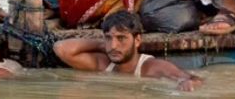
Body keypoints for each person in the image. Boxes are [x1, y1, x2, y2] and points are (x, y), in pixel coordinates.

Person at [53, 11, 203, 91]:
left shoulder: (152, 67)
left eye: (121, 38)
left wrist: (187, 83)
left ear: (137, 40)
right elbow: (61, 48)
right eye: (109, 38)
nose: (113, 46)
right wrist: (102, 45)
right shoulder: (103, 64)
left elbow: (193, 79)